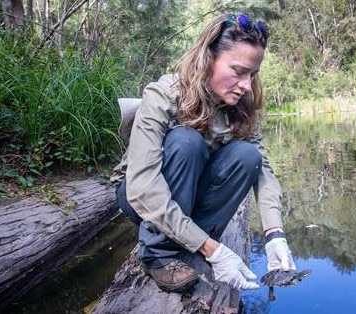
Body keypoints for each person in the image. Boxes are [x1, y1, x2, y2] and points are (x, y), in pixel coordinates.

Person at [111, 12, 296, 293]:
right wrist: (213, 250)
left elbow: (264, 172)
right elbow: (142, 188)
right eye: (238, 71)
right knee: (186, 142)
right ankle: (157, 254)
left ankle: (196, 238)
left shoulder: (240, 107)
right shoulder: (161, 95)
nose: (246, 85)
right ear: (209, 60)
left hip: (192, 194)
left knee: (248, 157)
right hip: (140, 197)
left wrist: (275, 233)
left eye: (252, 74)